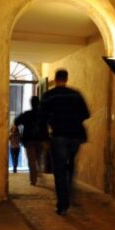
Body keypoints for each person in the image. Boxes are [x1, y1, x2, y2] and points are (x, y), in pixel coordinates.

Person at [40, 69, 90, 215]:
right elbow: (86, 114)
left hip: (59, 135)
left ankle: (63, 203)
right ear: (66, 79)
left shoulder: (48, 95)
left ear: (55, 79)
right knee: (70, 164)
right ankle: (69, 192)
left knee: (60, 169)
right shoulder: (76, 94)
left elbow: (42, 118)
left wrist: (44, 137)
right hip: (75, 136)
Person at [15, 95, 48, 185]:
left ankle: (33, 180)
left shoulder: (27, 114)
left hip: (29, 140)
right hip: (40, 140)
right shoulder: (43, 114)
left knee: (31, 160)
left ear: (31, 103)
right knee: (38, 157)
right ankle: (38, 171)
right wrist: (46, 139)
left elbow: (16, 121)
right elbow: (46, 127)